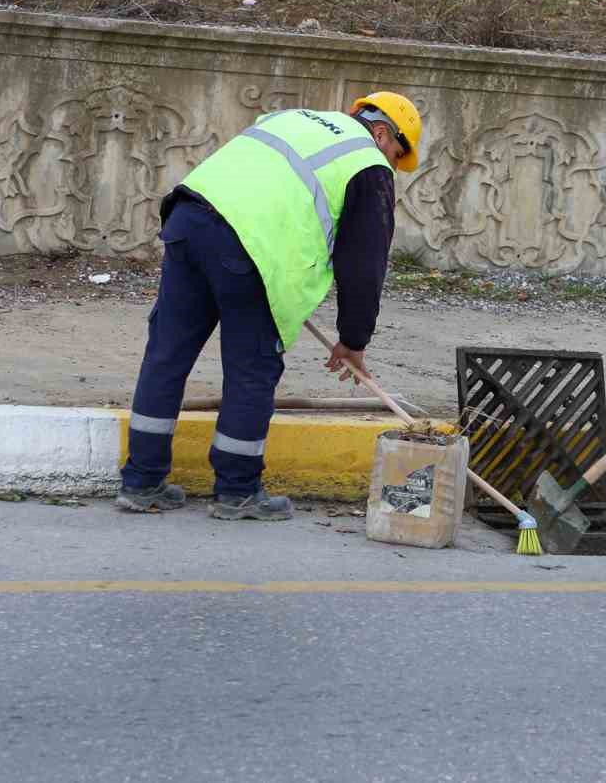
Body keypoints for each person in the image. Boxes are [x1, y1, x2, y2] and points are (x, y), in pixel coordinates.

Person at [116, 93, 422, 521]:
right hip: (249, 252)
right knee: (251, 368)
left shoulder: (294, 118)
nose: (392, 166)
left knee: (167, 354)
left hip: (188, 218)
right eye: (396, 156)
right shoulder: (365, 162)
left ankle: (141, 481)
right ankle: (237, 491)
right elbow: (364, 267)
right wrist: (353, 340)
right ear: (383, 132)